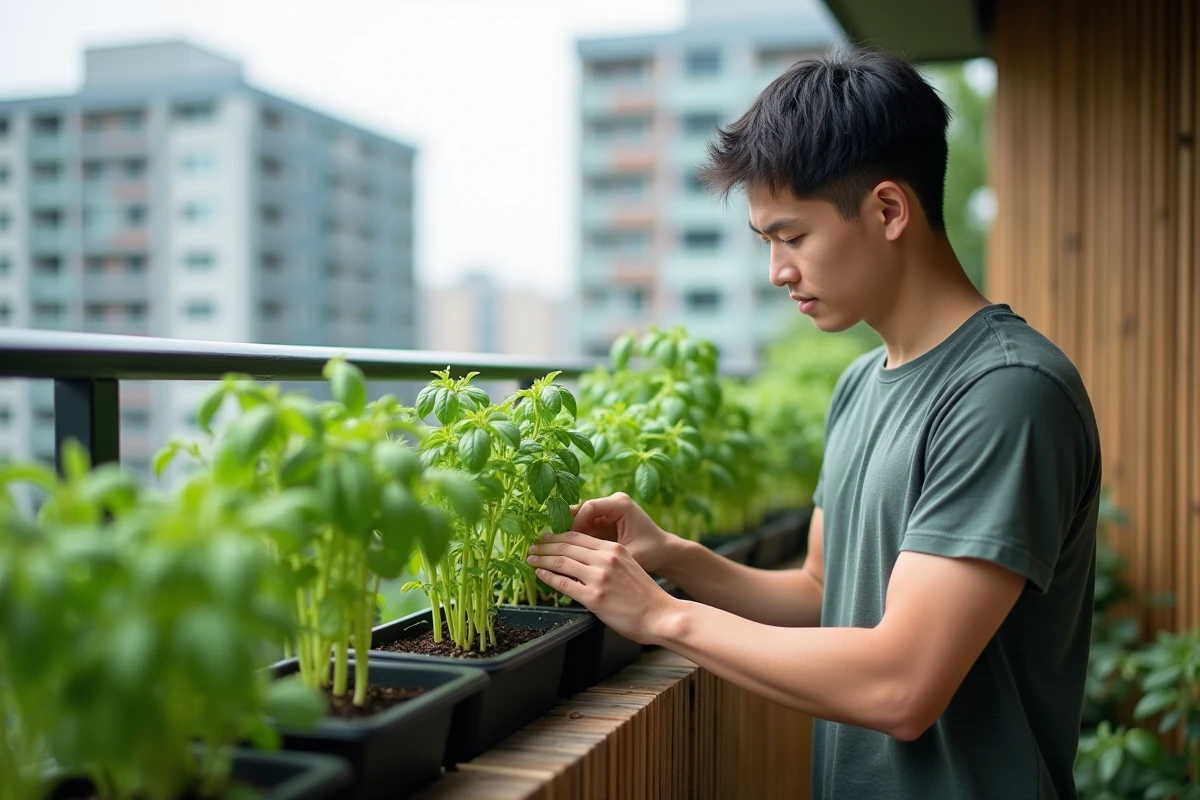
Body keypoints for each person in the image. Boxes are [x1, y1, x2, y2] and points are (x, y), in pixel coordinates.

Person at [527, 44, 1102, 800]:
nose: (778, 272)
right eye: (766, 242)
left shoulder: (1006, 394)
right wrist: (675, 557)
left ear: (889, 209)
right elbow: (820, 593)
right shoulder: (862, 383)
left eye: (793, 237)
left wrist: (664, 618)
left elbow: (902, 686)